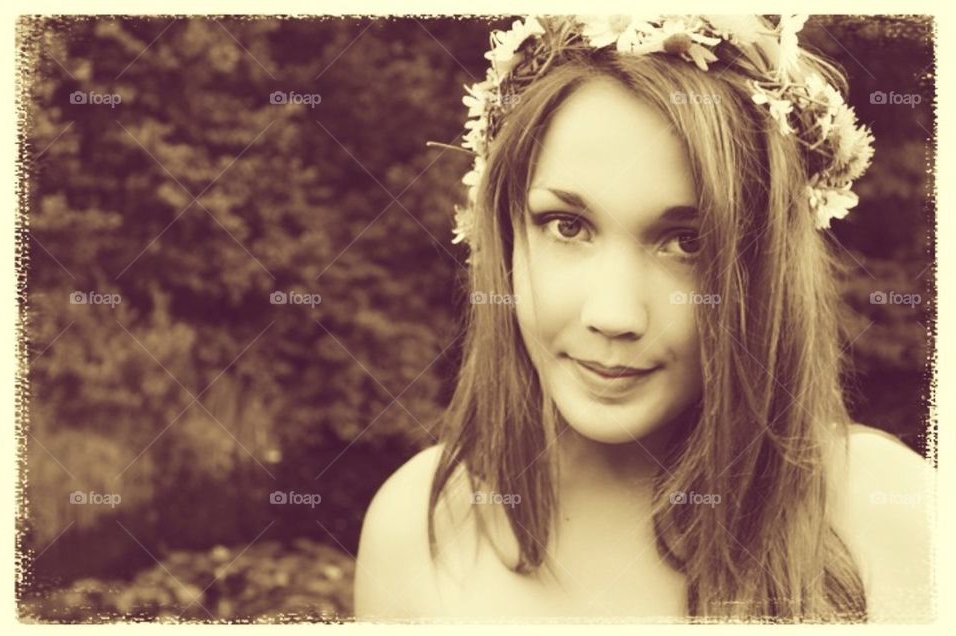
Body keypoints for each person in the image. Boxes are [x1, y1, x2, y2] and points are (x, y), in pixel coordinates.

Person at [354, 15, 932, 622]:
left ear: (767, 267)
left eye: (687, 243)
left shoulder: (893, 517)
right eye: (567, 227)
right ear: (503, 238)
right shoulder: (415, 528)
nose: (614, 314)